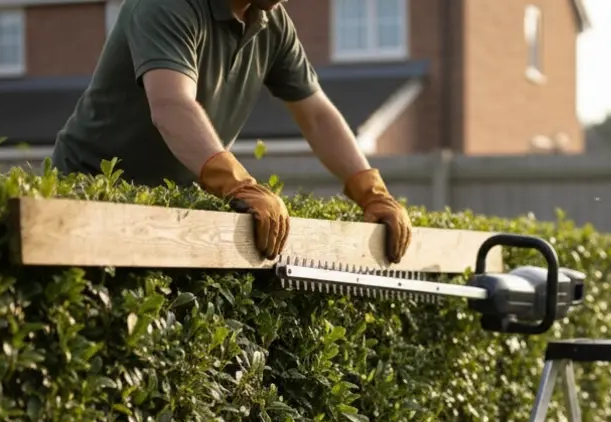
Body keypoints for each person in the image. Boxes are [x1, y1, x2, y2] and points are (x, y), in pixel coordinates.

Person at [50, 0, 413, 262]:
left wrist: (372, 192)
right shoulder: (167, 5)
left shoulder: (271, 22)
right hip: (88, 196)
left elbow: (316, 115)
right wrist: (238, 183)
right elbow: (172, 106)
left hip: (172, 210)